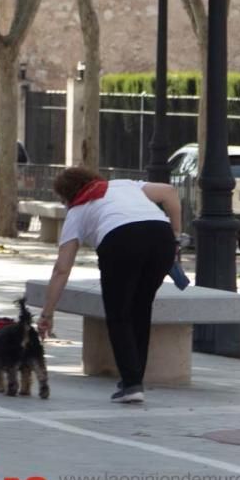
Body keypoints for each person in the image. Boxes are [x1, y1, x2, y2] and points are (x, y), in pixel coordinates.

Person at [37, 167, 180, 404]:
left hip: (120, 242)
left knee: (119, 314)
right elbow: (170, 192)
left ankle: (132, 384)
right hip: (161, 237)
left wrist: (47, 313)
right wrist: (176, 234)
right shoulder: (123, 184)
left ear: (67, 196)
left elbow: (62, 269)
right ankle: (133, 380)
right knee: (141, 309)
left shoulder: (78, 210)